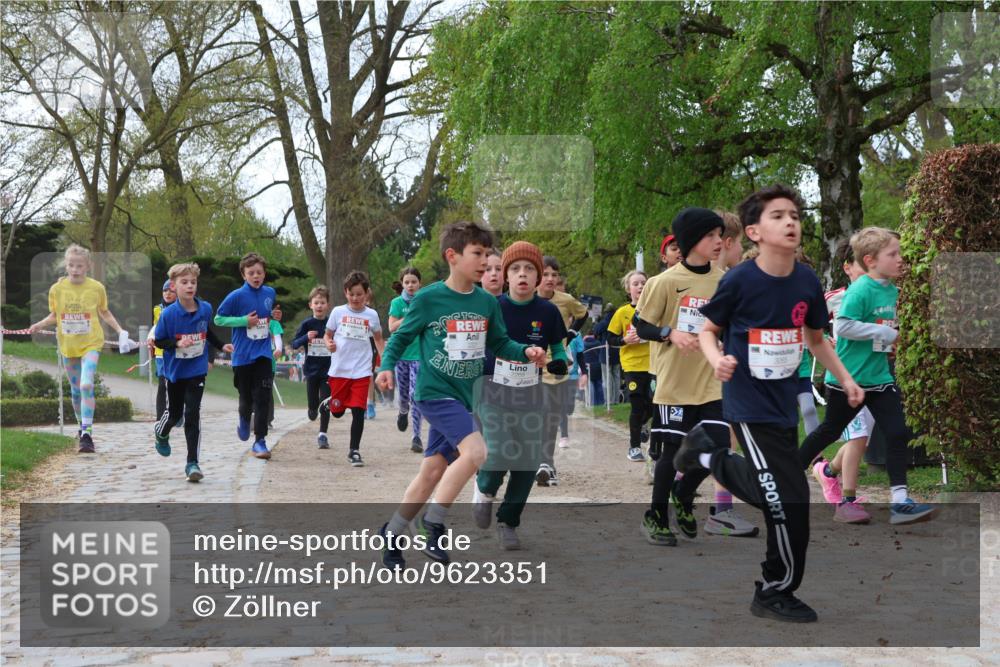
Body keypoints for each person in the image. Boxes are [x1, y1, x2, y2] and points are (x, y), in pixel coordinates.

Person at [676, 184, 864, 623]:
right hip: (747, 403)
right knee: (787, 500)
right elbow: (707, 329)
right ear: (756, 232)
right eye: (778, 216)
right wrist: (717, 358)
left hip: (783, 405)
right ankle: (774, 590)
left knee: (781, 495)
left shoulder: (805, 282)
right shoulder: (740, 280)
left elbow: (816, 340)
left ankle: (706, 451)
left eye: (795, 215)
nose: (791, 222)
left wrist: (846, 379)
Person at [375, 221, 546, 569]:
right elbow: (402, 336)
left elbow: (499, 343)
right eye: (478, 254)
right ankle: (433, 522)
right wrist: (386, 365)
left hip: (464, 397)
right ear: (452, 256)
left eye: (487, 254)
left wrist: (525, 352)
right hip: (435, 393)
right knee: (477, 451)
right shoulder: (429, 298)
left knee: (432, 473)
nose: (485, 261)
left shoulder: (486, 302)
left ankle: (391, 534)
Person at [798, 227, 936, 525]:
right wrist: (883, 332)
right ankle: (785, 478)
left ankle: (900, 502)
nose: (901, 259)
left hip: (879, 378)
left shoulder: (893, 290)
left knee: (897, 432)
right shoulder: (860, 289)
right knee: (830, 432)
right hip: (848, 380)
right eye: (893, 254)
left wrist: (892, 340)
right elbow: (843, 327)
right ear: (871, 260)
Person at [473, 241, 568, 549]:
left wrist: (557, 363)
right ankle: (484, 487)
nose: (522, 275)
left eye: (529, 269)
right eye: (515, 269)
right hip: (492, 390)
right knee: (500, 451)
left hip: (530, 394)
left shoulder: (548, 311)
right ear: (506, 275)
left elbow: (559, 353)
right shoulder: (493, 307)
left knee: (527, 464)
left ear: (539, 276)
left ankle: (508, 522)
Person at [30, 244, 132, 454]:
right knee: (76, 392)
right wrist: (39, 325)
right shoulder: (57, 289)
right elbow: (54, 315)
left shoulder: (96, 288)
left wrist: (121, 331)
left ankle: (87, 435)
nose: (75, 269)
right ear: (66, 266)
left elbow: (104, 312)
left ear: (87, 266)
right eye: (71, 265)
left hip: (91, 343)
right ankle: (81, 427)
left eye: (79, 265)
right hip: (68, 346)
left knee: (86, 385)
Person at [811, 239, 875, 523]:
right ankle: (847, 502)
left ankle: (827, 473)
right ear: (847, 268)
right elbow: (807, 331)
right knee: (858, 436)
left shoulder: (882, 297)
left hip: (874, 376)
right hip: (843, 378)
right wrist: (828, 341)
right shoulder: (832, 298)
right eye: (862, 266)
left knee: (861, 442)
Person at [152, 263, 233, 481]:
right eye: (184, 282)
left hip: (196, 370)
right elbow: (159, 341)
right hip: (175, 373)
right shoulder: (168, 315)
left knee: (193, 414)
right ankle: (161, 431)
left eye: (193, 282)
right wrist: (177, 343)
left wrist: (220, 345)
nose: (189, 286)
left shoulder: (205, 308)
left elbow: (206, 330)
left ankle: (192, 463)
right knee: (175, 414)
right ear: (173, 286)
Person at [215, 252, 278, 459]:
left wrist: (274, 317)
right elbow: (219, 319)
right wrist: (243, 321)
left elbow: (269, 317)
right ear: (243, 275)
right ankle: (243, 418)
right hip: (242, 356)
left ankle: (260, 441)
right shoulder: (236, 296)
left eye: (259, 272)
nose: (256, 276)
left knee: (263, 397)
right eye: (251, 273)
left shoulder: (270, 293)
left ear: (264, 274)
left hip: (263, 354)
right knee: (246, 398)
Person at [535, 256, 588, 486]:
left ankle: (546, 464)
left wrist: (572, 333)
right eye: (545, 274)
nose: (550, 279)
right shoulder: (527, 301)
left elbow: (583, 314)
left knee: (551, 415)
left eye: (554, 275)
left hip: (557, 366)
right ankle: (538, 462)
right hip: (530, 368)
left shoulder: (565, 300)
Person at [324, 272, 385, 466]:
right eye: (352, 294)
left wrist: (385, 361)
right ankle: (331, 403)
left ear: (367, 294)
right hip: (339, 369)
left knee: (359, 410)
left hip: (361, 370)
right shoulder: (337, 312)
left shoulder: (372, 315)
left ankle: (354, 451)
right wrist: (329, 344)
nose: (355, 298)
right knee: (337, 412)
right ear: (345, 293)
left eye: (359, 294)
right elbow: (328, 334)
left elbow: (377, 338)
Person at [607, 270, 652, 462]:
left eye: (643, 283)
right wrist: (625, 340)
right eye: (636, 284)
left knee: (653, 404)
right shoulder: (622, 312)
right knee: (636, 404)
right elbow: (610, 339)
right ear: (628, 289)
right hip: (632, 365)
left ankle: (643, 424)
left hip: (653, 364)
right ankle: (634, 447)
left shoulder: (654, 309)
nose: (640, 286)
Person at [388, 267, 425, 452]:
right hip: (402, 355)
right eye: (407, 282)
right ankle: (403, 411)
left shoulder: (424, 301)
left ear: (420, 284)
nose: (411, 285)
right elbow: (392, 327)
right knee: (404, 395)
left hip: (419, 354)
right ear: (402, 284)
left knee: (415, 395)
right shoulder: (396, 303)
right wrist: (408, 318)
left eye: (414, 282)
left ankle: (416, 436)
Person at [291, 286, 333, 448]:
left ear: (327, 305)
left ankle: (323, 435)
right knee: (313, 405)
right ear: (311, 305)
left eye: (322, 302)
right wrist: (305, 338)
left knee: (326, 402)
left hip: (328, 370)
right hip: (311, 370)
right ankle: (311, 409)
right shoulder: (307, 323)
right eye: (316, 303)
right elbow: (294, 344)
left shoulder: (332, 323)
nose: (319, 306)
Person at [148, 278, 177, 424]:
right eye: (165, 290)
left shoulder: (183, 308)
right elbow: (156, 328)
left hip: (178, 352)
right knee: (162, 384)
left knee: (176, 383)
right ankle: (160, 418)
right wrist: (151, 337)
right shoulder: (157, 309)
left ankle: (177, 412)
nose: (168, 293)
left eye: (172, 291)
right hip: (161, 352)